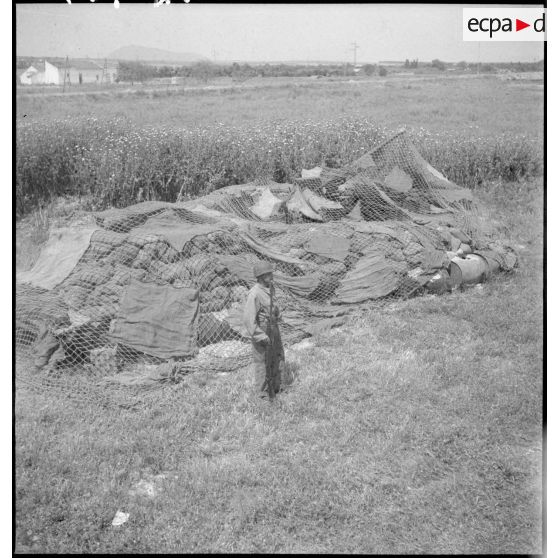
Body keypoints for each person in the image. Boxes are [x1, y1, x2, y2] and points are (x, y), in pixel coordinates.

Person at [243, 261, 286, 398]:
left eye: (271, 273)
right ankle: (263, 394)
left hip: (273, 327)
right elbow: (249, 321)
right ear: (260, 276)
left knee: (277, 356)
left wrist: (278, 314)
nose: (271, 275)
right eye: (268, 274)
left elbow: (273, 307)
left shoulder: (270, 288)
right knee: (262, 362)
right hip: (262, 330)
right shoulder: (254, 293)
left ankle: (277, 386)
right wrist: (261, 336)